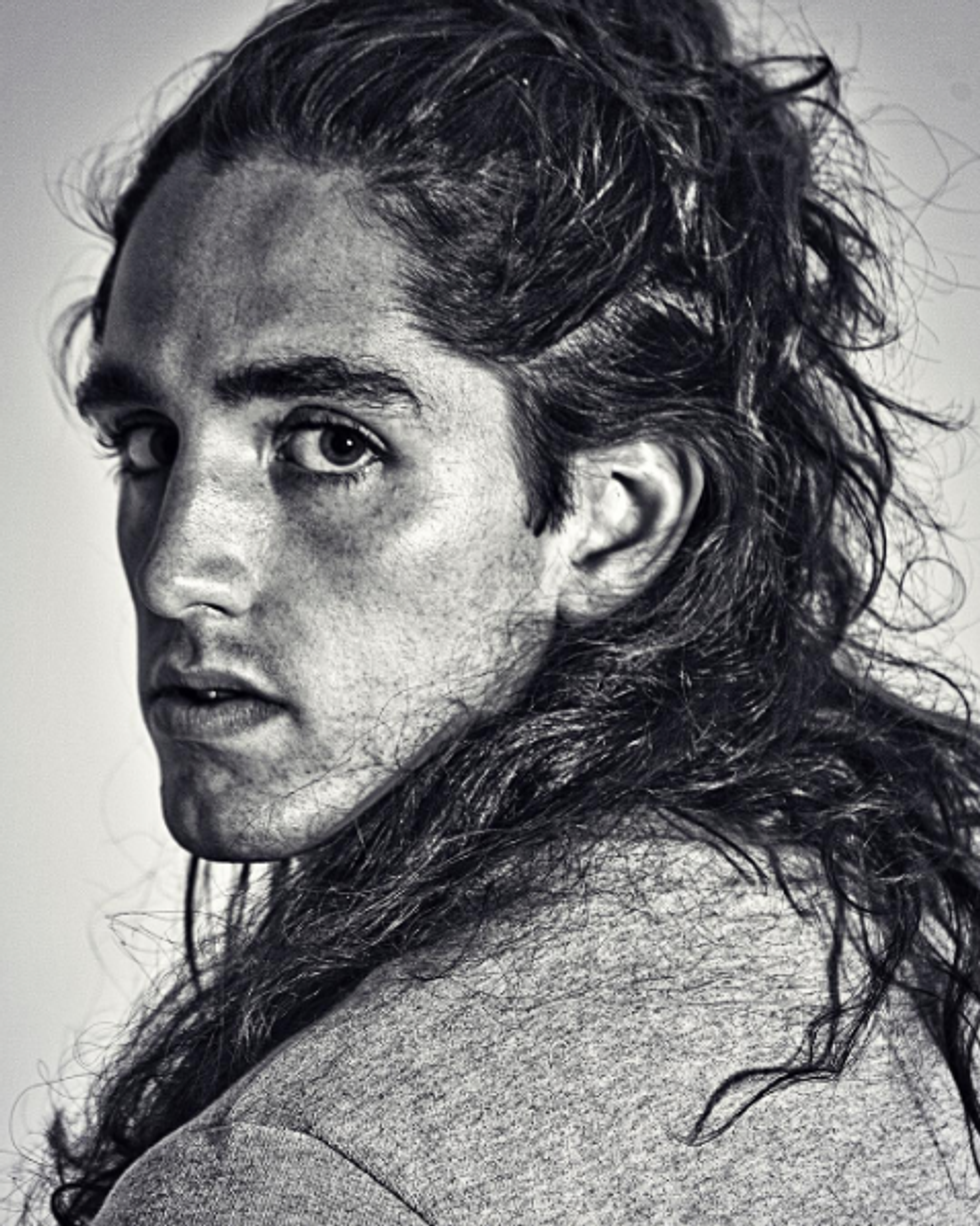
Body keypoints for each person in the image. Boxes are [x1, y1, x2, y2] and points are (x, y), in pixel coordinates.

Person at [23, 0, 980, 1221]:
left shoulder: (300, 1173)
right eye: (147, 441)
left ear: (611, 520)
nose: (173, 571)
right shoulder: (863, 926)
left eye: (332, 443)